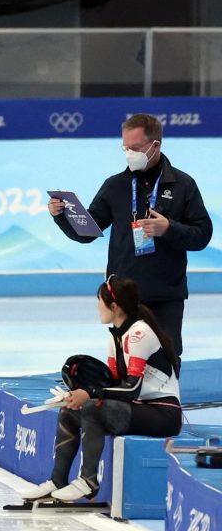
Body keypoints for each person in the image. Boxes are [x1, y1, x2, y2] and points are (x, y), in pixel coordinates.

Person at [49, 113, 212, 360]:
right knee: (125, 361)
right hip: (123, 296)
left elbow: (202, 235)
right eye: (125, 148)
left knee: (165, 360)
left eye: (135, 148)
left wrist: (168, 229)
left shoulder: (183, 185)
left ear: (155, 145)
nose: (129, 154)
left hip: (165, 295)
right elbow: (87, 233)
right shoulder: (115, 186)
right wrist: (61, 215)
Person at [21, 275, 181, 502]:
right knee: (69, 410)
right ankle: (57, 480)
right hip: (138, 409)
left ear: (114, 307)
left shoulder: (138, 334)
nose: (97, 306)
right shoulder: (114, 339)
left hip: (162, 413)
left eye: (100, 301)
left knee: (92, 408)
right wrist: (76, 394)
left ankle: (88, 481)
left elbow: (131, 389)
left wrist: (90, 394)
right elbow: (113, 385)